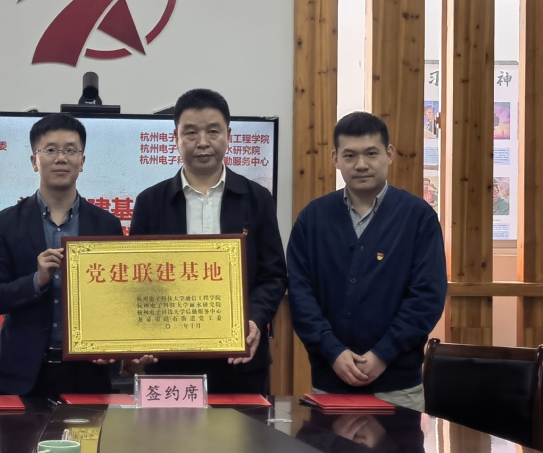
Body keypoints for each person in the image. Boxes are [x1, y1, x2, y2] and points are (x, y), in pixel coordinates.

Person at [129, 89, 288, 394]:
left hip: (240, 361)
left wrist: (254, 319)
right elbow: (137, 279)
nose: (202, 142)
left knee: (243, 428)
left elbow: (273, 275)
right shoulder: (150, 202)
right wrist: (141, 334)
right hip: (169, 361)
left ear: (228, 135)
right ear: (175, 138)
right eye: (191, 132)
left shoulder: (257, 198)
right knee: (169, 429)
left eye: (213, 131)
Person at [288, 112, 446, 412]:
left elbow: (427, 297)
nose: (361, 164)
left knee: (401, 446)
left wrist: (383, 353)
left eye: (371, 153)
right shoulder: (313, 218)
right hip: (330, 383)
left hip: (398, 387)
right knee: (326, 446)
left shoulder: (418, 217)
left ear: (389, 154)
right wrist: (333, 351)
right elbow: (300, 295)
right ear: (335, 159)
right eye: (350, 155)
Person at [0, 113, 123, 397]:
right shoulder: (7, 222)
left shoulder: (106, 225)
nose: (61, 158)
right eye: (50, 150)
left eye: (70, 150)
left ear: (82, 161)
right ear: (34, 161)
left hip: (87, 375)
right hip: (20, 377)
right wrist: (37, 281)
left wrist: (114, 345)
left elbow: (119, 300)